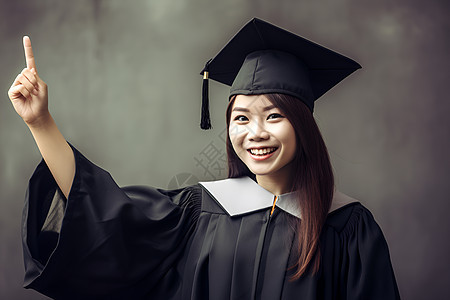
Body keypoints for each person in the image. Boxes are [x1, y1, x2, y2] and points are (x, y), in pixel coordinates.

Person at [9, 18, 401, 299]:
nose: (256, 132)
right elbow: (106, 214)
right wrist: (41, 122)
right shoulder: (200, 211)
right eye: (241, 118)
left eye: (274, 116)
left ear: (302, 126)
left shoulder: (349, 228)